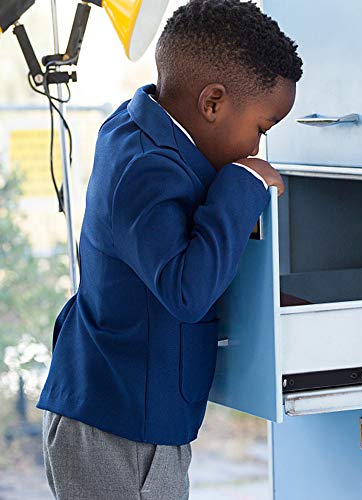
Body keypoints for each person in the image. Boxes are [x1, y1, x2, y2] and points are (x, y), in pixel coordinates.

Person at [36, 0, 302, 498]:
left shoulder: (140, 132)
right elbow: (187, 291)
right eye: (261, 129)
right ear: (213, 103)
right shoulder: (145, 167)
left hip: (125, 417)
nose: (256, 149)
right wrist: (241, 183)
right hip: (119, 430)